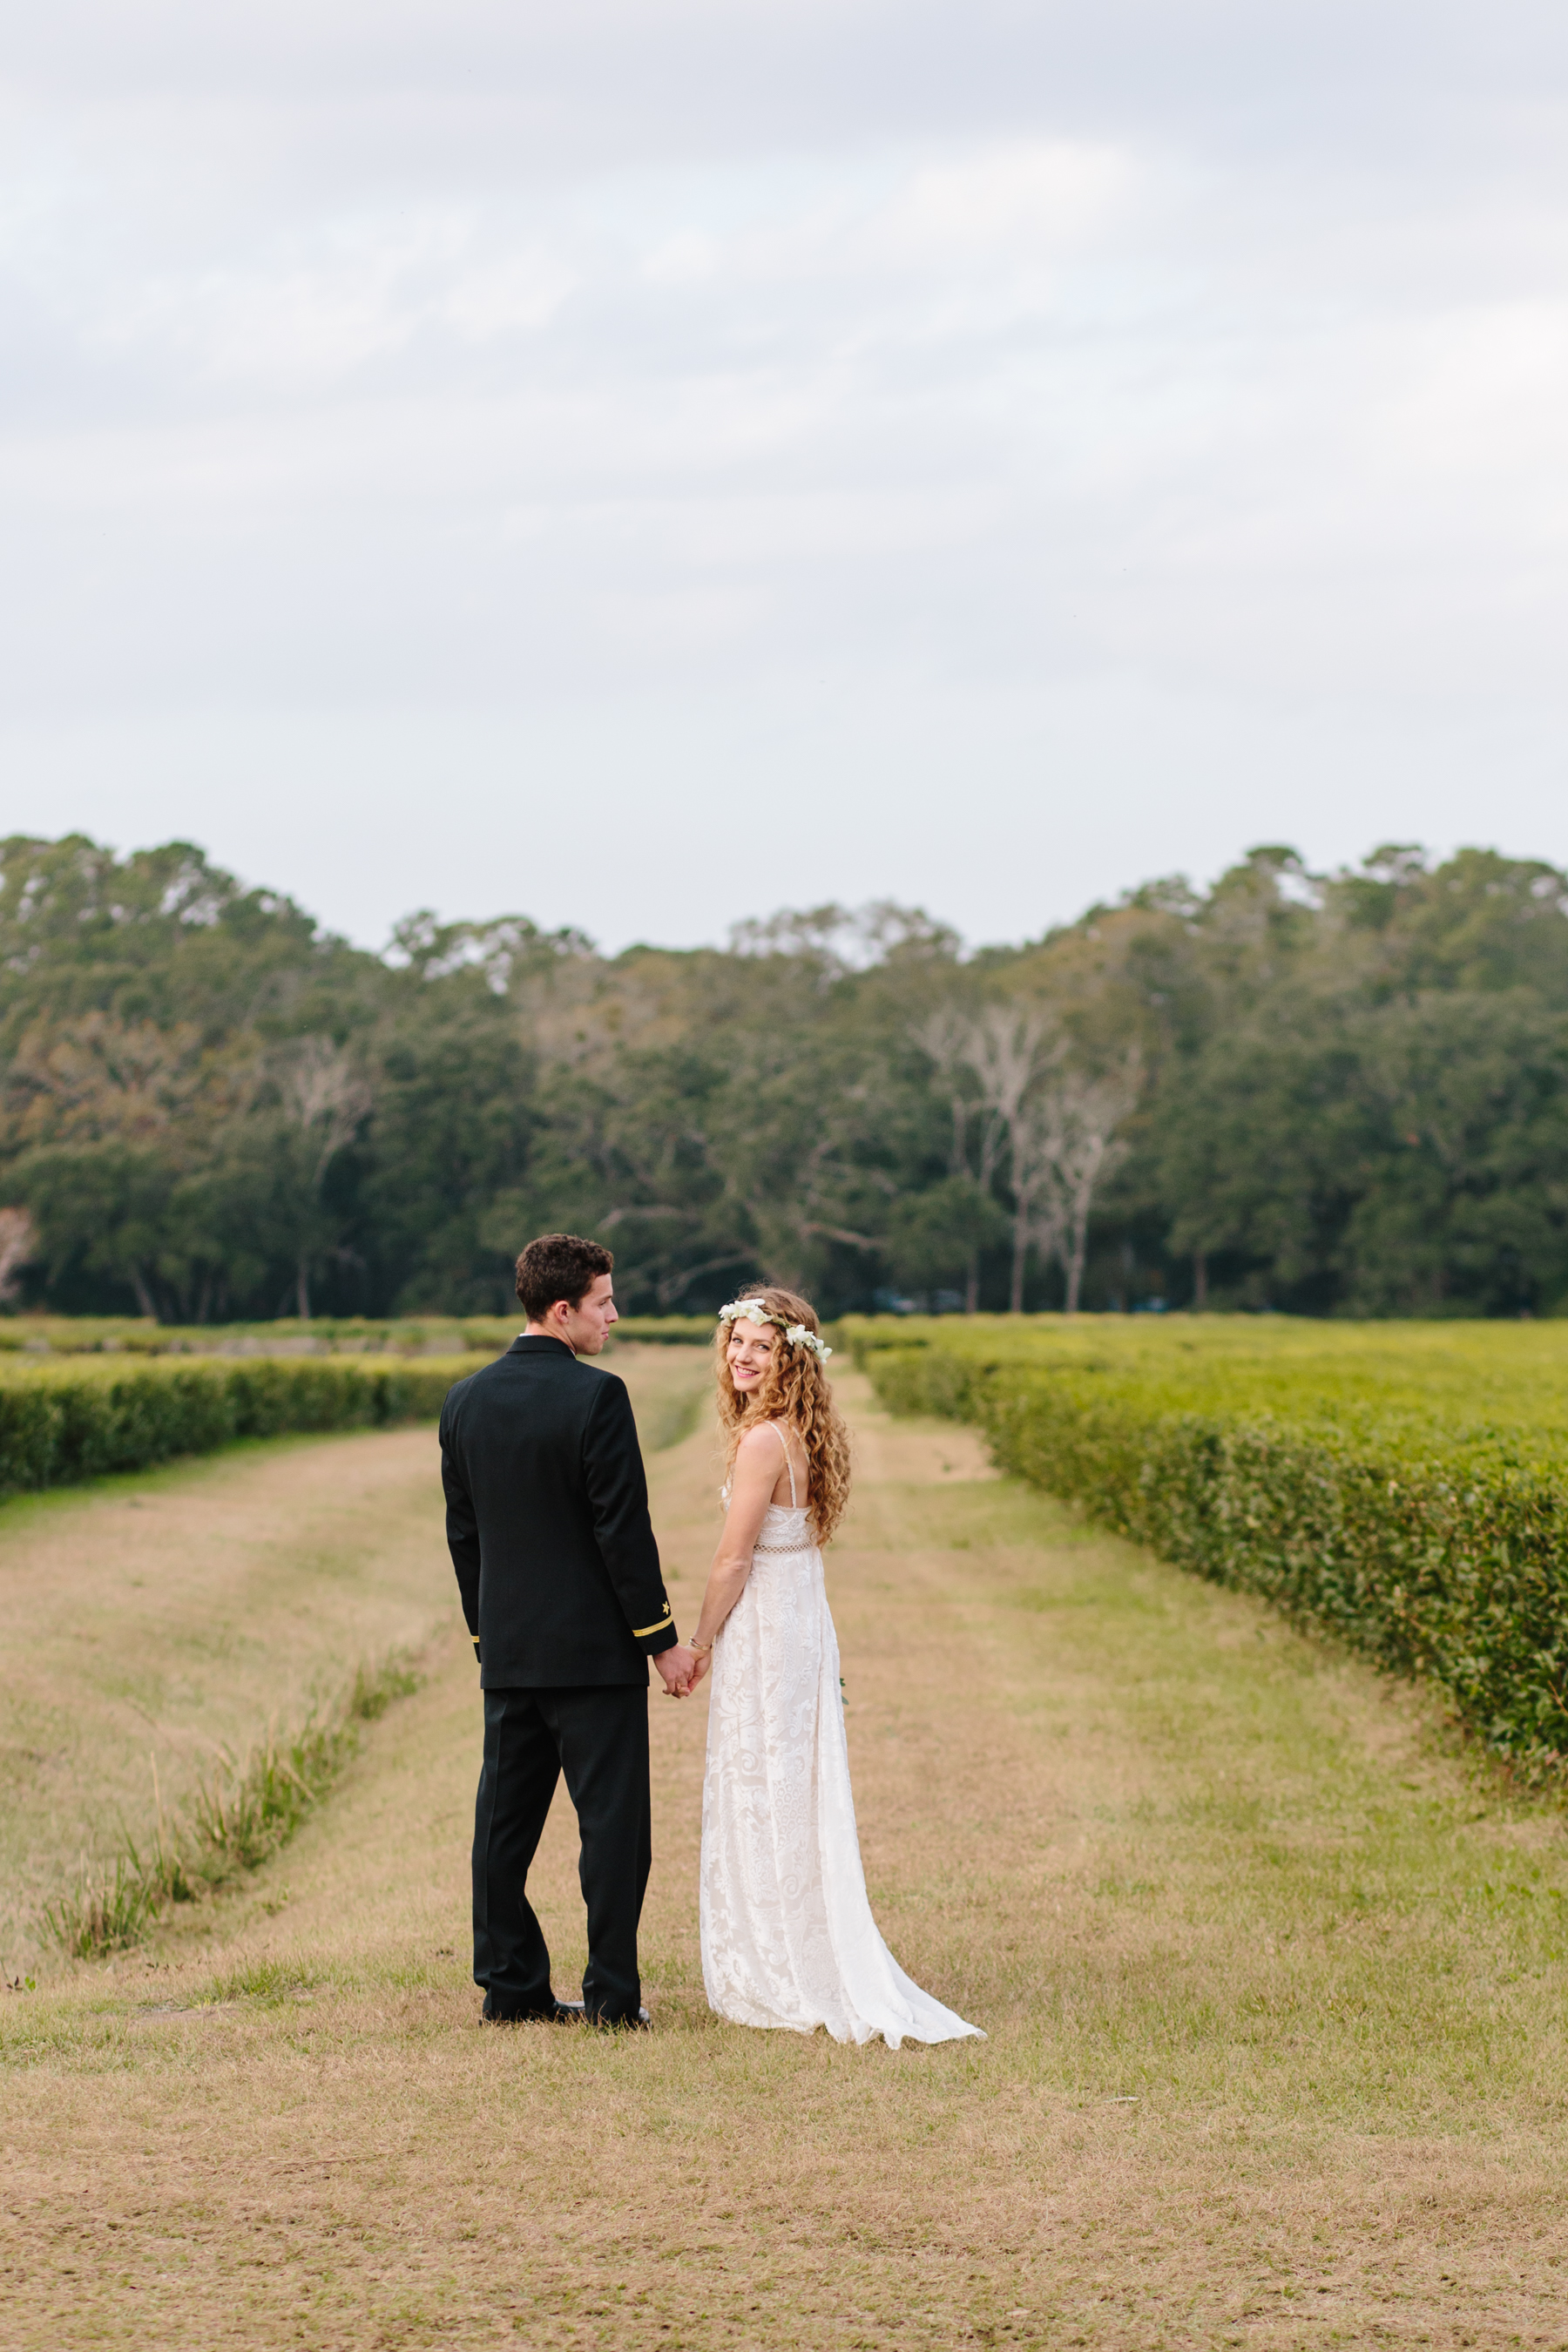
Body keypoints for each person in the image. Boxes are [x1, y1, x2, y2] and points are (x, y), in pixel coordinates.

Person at [686, 1286, 983, 2049]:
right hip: (799, 1620)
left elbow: (732, 1559)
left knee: (769, 1780)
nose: (742, 1356)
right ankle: (794, 1941)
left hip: (766, 1627)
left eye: (760, 1345)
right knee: (788, 1780)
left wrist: (700, 1643)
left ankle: (784, 1961)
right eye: (735, 1342)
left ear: (791, 1356)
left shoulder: (762, 1442)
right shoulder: (799, 1433)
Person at [439, 1233, 698, 2028]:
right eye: (603, 1301)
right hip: (594, 1659)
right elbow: (624, 1532)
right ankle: (613, 2001)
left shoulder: (464, 1400)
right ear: (562, 1310)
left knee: (501, 1833)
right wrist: (662, 1642)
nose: (613, 1316)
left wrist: (490, 1640)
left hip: (512, 1656)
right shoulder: (597, 1397)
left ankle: (509, 1987)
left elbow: (465, 1537)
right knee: (614, 1835)